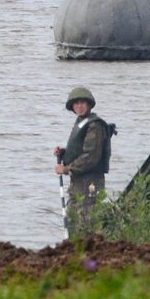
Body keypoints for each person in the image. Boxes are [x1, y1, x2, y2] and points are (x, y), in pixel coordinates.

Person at [53, 86, 113, 239]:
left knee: (87, 222)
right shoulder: (81, 122)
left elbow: (90, 157)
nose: (79, 106)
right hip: (78, 181)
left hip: (90, 181)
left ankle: (90, 254)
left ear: (89, 105)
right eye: (76, 103)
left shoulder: (95, 125)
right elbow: (79, 149)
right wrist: (64, 153)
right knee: (72, 218)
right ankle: (74, 252)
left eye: (82, 103)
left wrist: (66, 169)